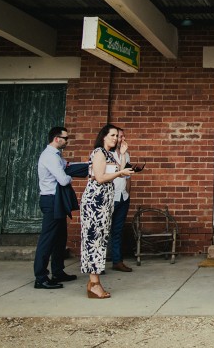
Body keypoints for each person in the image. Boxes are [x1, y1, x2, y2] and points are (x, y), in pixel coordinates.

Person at [81, 124, 133, 299]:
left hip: (105, 202)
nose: (115, 138)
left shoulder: (109, 154)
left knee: (101, 239)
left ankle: (93, 284)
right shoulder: (98, 153)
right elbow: (100, 177)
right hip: (95, 201)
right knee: (94, 241)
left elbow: (119, 172)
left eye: (117, 136)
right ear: (103, 136)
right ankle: (94, 283)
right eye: (112, 135)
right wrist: (120, 173)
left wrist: (123, 155)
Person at [33, 126, 77, 289]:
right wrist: (70, 176)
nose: (67, 140)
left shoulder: (56, 156)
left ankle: (58, 271)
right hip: (51, 201)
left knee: (59, 239)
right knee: (47, 240)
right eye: (65, 138)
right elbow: (63, 180)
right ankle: (41, 277)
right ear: (57, 138)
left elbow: (67, 165)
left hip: (56, 201)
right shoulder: (49, 156)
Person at [107, 128, 133, 273]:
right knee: (103, 230)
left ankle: (117, 261)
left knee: (117, 230)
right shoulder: (105, 154)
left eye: (123, 136)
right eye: (118, 136)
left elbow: (128, 175)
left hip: (123, 196)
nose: (121, 139)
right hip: (110, 196)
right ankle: (99, 264)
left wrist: (128, 192)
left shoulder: (126, 155)